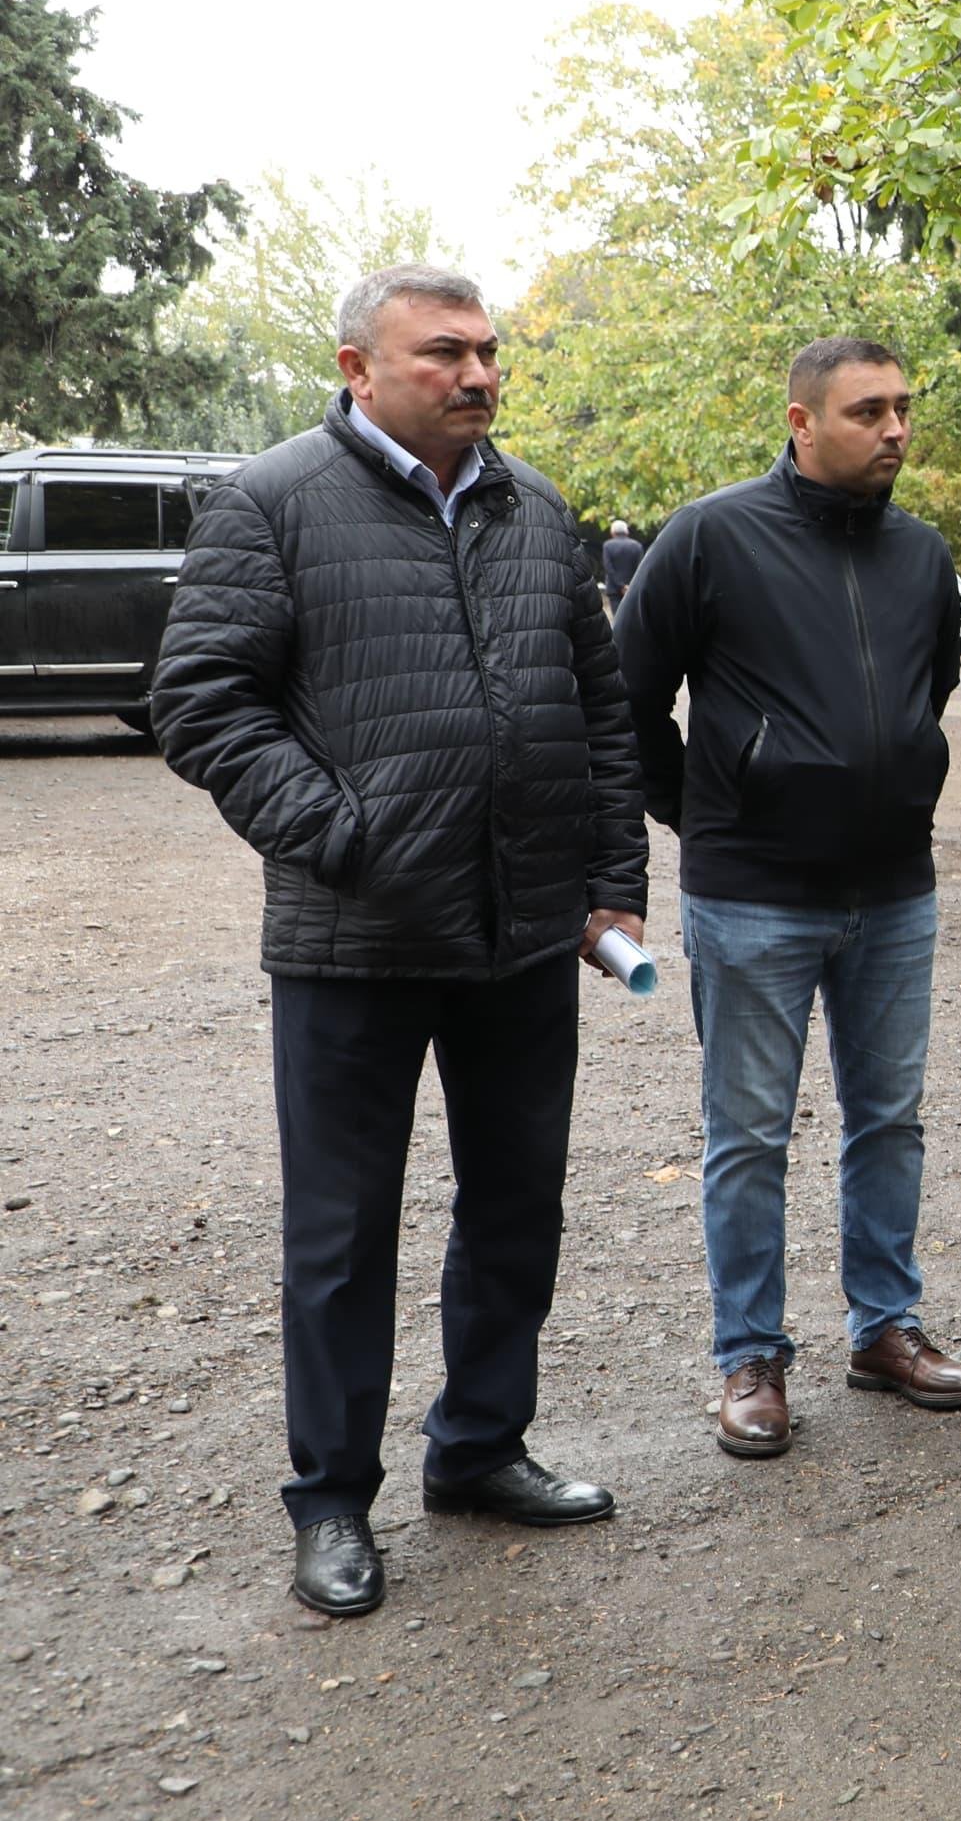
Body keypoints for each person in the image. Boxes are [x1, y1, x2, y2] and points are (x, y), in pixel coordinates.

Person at [151, 264, 646, 1620]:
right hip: (352, 941)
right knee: (341, 1236)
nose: (480, 376)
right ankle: (331, 1504)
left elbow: (602, 715)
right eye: (446, 354)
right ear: (359, 366)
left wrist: (612, 876)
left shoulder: (537, 509)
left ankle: (481, 1451)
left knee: (512, 1213)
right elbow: (200, 702)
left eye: (490, 353)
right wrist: (345, 833)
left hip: (520, 940)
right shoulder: (272, 503)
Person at [617, 337, 961, 1459]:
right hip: (753, 896)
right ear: (801, 420)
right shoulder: (711, 535)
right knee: (749, 1135)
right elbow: (627, 700)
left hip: (893, 891)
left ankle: (885, 1328)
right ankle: (752, 1355)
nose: (896, 429)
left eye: (904, 408)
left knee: (890, 1120)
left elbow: (926, 691)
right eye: (869, 410)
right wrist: (712, 810)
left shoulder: (922, 554)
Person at [600, 518, 644, 611]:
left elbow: (608, 568)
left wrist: (621, 585)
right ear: (626, 532)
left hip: (613, 589)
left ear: (612, 532)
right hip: (632, 588)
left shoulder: (607, 545)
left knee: (617, 618)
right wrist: (629, 585)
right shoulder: (637, 546)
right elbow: (640, 567)